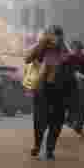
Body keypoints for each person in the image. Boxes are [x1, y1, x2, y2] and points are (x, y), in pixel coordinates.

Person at [24, 26, 71, 160]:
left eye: (55, 36)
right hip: (42, 91)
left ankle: (50, 149)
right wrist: (42, 44)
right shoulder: (41, 48)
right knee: (39, 121)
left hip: (60, 92)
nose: (53, 39)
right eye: (50, 35)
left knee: (57, 122)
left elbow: (69, 62)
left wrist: (61, 47)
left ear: (61, 37)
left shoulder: (64, 51)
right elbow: (27, 58)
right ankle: (38, 145)